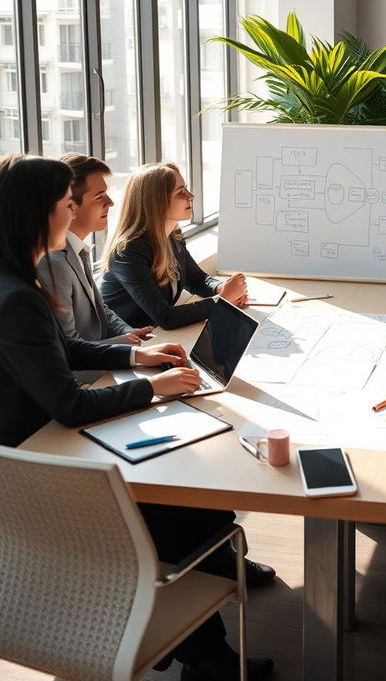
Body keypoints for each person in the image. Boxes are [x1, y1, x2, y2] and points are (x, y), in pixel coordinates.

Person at [0, 154, 274, 681]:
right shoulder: (19, 297)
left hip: (43, 446)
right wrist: (154, 388)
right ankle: (206, 658)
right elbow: (69, 403)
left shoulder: (18, 284)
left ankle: (206, 621)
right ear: (41, 214)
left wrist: (135, 357)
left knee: (196, 511)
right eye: (66, 204)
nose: (75, 210)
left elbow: (69, 349)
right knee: (187, 511)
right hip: (38, 464)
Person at [101, 163, 248, 330]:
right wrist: (223, 300)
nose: (191, 195)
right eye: (181, 192)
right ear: (156, 202)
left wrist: (222, 288)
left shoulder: (172, 236)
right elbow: (166, 317)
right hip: (127, 345)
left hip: (154, 338)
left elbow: (197, 280)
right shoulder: (128, 252)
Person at [38, 153, 153, 345]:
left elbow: (100, 309)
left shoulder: (76, 249)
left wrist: (129, 333)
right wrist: (127, 348)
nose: (110, 202)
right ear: (70, 206)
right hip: (88, 373)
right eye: (100, 196)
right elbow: (69, 348)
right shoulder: (53, 264)